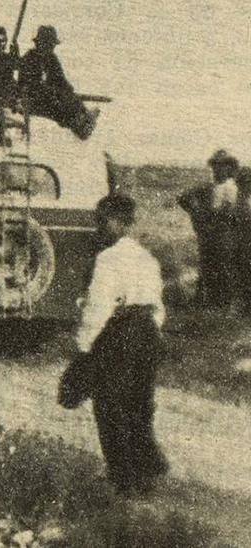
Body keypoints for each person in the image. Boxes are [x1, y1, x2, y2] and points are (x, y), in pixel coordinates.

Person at [64, 194, 168, 497]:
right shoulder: (146, 258)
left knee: (110, 406)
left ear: (122, 223)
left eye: (104, 221)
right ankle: (145, 475)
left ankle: (124, 480)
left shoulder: (108, 259)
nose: (99, 228)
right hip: (147, 333)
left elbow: (99, 307)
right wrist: (147, 331)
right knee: (139, 404)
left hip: (120, 332)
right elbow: (158, 307)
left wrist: (84, 347)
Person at [179, 150, 241, 308]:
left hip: (223, 232)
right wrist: (195, 209)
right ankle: (205, 299)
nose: (216, 170)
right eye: (214, 166)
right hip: (209, 232)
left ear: (229, 168)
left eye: (221, 166)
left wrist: (201, 212)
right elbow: (184, 198)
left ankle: (222, 302)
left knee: (221, 265)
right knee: (208, 264)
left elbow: (226, 212)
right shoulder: (211, 187)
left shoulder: (230, 187)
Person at [19, 26, 98, 139]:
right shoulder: (30, 58)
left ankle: (84, 117)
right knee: (57, 105)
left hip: (49, 94)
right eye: (48, 44)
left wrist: (68, 90)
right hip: (33, 98)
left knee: (70, 97)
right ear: (40, 43)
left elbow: (60, 79)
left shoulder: (52, 58)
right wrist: (54, 91)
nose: (51, 47)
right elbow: (31, 85)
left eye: (52, 45)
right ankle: (78, 124)